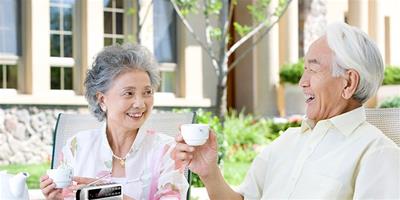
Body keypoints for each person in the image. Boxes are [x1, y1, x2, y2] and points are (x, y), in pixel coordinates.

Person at [172, 22, 400, 199]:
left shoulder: (377, 152)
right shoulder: (287, 142)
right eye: (304, 70)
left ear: (348, 83)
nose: (302, 82)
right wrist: (209, 172)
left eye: (313, 69)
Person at [40, 44, 188, 199]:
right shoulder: (76, 146)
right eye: (129, 93)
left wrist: (108, 195)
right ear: (102, 100)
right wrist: (56, 197)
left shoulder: (167, 150)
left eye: (147, 92)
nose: (140, 103)